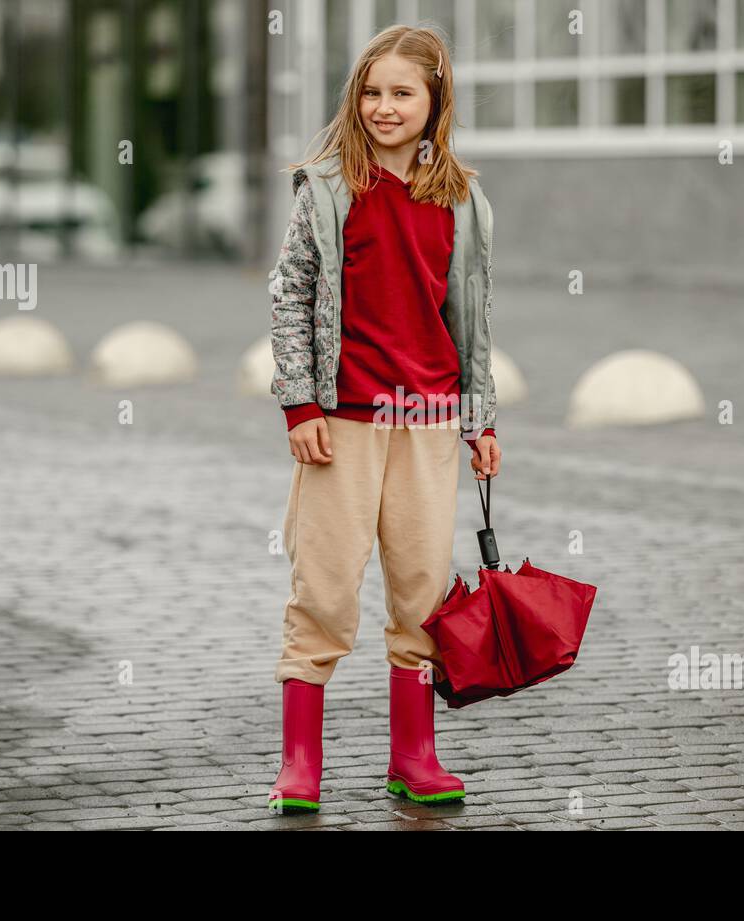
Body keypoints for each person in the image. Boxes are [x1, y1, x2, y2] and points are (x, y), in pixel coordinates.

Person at [265, 24, 501, 813]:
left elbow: (472, 319)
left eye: (403, 93)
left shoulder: (461, 202)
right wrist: (300, 403)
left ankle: (415, 757)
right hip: (345, 424)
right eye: (371, 92)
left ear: (435, 102)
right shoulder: (327, 189)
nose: (383, 107)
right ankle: (301, 765)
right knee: (325, 590)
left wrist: (481, 421)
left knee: (423, 592)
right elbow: (290, 298)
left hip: (429, 425)